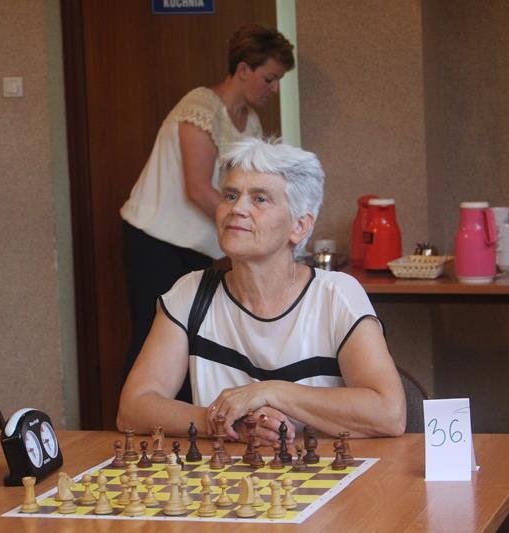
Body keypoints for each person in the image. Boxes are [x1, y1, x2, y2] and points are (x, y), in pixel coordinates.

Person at [117, 138, 406, 444]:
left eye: (260, 199)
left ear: (299, 226)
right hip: (227, 473)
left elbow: (389, 413)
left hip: (322, 471)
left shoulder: (336, 296)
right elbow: (133, 408)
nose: (237, 209)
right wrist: (223, 421)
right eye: (230, 195)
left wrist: (271, 392)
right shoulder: (191, 294)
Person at [119, 24, 296, 376]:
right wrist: (250, 227)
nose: (275, 89)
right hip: (155, 241)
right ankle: (138, 409)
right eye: (270, 78)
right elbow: (198, 189)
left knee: (191, 340)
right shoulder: (200, 106)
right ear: (243, 69)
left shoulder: (252, 121)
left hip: (198, 246)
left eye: (278, 81)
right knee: (153, 338)